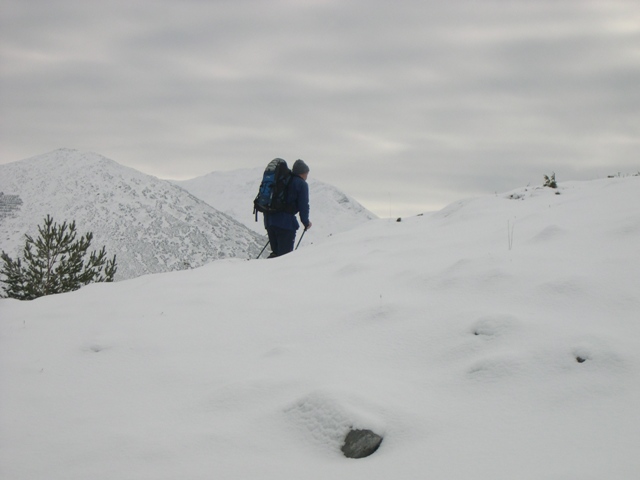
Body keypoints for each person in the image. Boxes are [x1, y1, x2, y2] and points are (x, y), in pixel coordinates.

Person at [265, 159, 312, 257]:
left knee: (275, 253)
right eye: (306, 174)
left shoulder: (282, 180)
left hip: (269, 220)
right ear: (303, 173)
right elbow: (303, 205)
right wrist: (306, 222)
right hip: (285, 224)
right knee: (284, 257)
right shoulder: (301, 184)